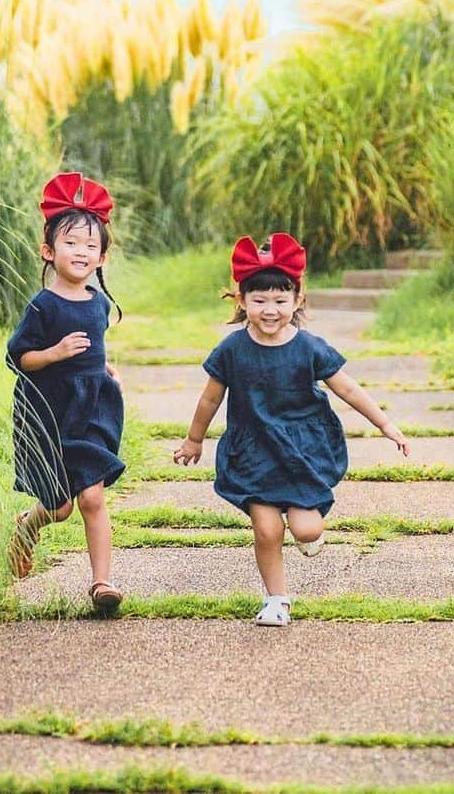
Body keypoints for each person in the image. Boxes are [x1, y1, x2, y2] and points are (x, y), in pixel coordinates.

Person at [174, 233, 410, 627]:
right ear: (242, 300)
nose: (270, 310)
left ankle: (311, 535)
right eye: (259, 300)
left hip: (302, 452)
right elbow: (210, 399)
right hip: (254, 453)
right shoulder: (232, 350)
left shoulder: (309, 347)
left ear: (298, 300)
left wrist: (385, 423)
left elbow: (347, 388)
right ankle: (277, 600)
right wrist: (194, 439)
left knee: (305, 529)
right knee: (267, 530)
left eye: (280, 301)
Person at [6, 171, 126, 614]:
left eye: (90, 246)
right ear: (48, 251)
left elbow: (92, 345)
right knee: (59, 508)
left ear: (101, 258)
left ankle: (102, 583)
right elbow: (20, 358)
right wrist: (54, 353)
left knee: (92, 496)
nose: (81, 252)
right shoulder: (42, 305)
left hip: (91, 410)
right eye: (71, 243)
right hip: (49, 412)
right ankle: (28, 524)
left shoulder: (97, 302)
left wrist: (103, 366)